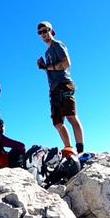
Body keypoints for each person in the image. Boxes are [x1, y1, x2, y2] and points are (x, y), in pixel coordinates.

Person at [36, 21, 85, 154]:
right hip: (54, 88)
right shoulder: (47, 53)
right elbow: (52, 70)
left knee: (71, 116)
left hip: (64, 84)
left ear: (51, 31)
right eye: (40, 32)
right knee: (57, 123)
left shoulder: (57, 44)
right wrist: (44, 68)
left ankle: (80, 150)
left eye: (45, 31)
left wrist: (47, 67)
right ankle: (69, 149)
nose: (43, 34)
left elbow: (66, 63)